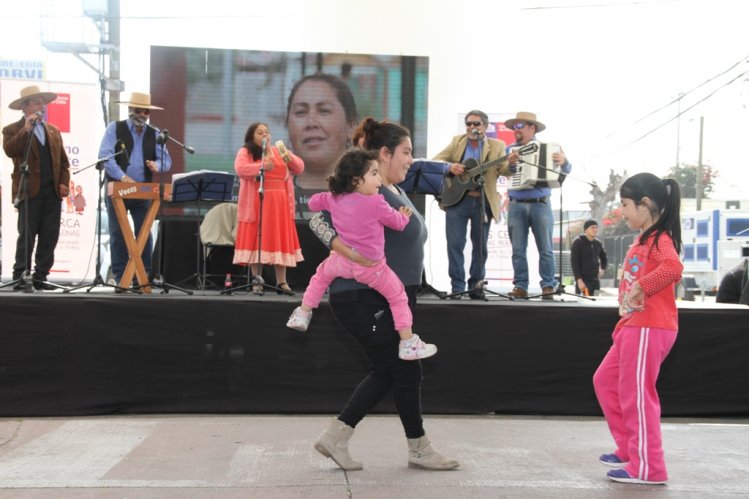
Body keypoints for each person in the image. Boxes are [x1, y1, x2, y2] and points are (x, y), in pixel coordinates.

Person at [308, 118, 458, 471]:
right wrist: (344, 249)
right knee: (405, 372)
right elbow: (316, 220)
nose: (410, 160)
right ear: (385, 153)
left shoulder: (395, 191)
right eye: (405, 152)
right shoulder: (365, 191)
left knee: (388, 371)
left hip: (390, 298)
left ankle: (337, 436)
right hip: (363, 296)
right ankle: (418, 448)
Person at [286, 148, 437, 361]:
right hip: (371, 268)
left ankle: (302, 313)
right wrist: (403, 216)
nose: (379, 179)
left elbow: (312, 204)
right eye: (374, 174)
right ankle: (408, 342)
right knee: (398, 297)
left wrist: (328, 197)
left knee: (320, 277)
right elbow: (397, 223)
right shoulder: (376, 203)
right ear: (357, 180)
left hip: (341, 261)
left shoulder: (334, 198)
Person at [593, 172, 683, 485]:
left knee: (637, 395)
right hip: (633, 325)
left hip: (649, 327)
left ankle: (649, 466)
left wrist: (642, 286)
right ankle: (631, 450)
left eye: (626, 205)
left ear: (645, 205)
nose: (623, 212)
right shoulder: (645, 238)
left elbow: (673, 268)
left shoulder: (659, 238)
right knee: (605, 381)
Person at [98, 91, 172, 291]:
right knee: (118, 233)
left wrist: (157, 165)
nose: (142, 114)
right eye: (138, 110)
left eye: (145, 111)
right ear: (130, 110)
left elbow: (166, 160)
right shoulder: (115, 128)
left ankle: (142, 276)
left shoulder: (155, 133)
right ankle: (122, 278)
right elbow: (106, 157)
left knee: (144, 232)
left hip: (143, 190)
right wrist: (123, 177)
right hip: (118, 188)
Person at [433, 110, 509, 299]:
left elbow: (504, 170)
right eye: (469, 124)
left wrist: (513, 163)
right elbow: (435, 161)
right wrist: (450, 167)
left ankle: (476, 286)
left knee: (480, 246)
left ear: (485, 126)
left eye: (476, 124)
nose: (472, 127)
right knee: (455, 244)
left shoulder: (496, 146)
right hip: (457, 200)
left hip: (482, 201)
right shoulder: (457, 141)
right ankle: (457, 287)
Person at [3, 85, 71, 291]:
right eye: (37, 101)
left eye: (43, 101)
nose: (42, 104)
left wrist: (63, 183)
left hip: (51, 192)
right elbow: (10, 150)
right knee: (27, 235)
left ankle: (41, 276)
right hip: (28, 191)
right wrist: (26, 129)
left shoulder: (53, 131)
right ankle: (20, 275)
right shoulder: (12, 129)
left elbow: (63, 163)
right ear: (25, 106)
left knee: (50, 235)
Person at [505, 111, 572, 299]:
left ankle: (548, 286)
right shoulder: (509, 150)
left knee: (546, 248)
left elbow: (566, 169)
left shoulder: (549, 148)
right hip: (517, 203)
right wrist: (510, 165)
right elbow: (505, 172)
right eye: (514, 127)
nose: (515, 130)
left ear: (532, 128)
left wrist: (564, 161)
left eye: (519, 126)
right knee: (518, 249)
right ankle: (520, 286)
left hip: (540, 203)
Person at [233, 122, 304, 294]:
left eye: (267, 132)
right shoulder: (247, 152)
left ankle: (282, 282)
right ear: (252, 137)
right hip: (258, 202)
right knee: (258, 239)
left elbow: (299, 168)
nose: (265, 135)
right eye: (260, 132)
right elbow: (240, 169)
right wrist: (262, 167)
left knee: (280, 238)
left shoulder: (278, 151)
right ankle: (257, 281)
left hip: (280, 204)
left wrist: (288, 154)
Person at [286, 73, 358, 217]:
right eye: (301, 112)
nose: (311, 123)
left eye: (324, 111)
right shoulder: (267, 192)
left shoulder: (374, 193)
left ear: (351, 126)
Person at [570, 219, 608, 296]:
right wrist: (579, 280)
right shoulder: (578, 242)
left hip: (595, 281)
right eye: (592, 227)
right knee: (584, 305)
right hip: (583, 281)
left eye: (596, 227)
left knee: (595, 305)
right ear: (586, 230)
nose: (595, 230)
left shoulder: (597, 243)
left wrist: (602, 269)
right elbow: (574, 262)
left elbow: (604, 257)